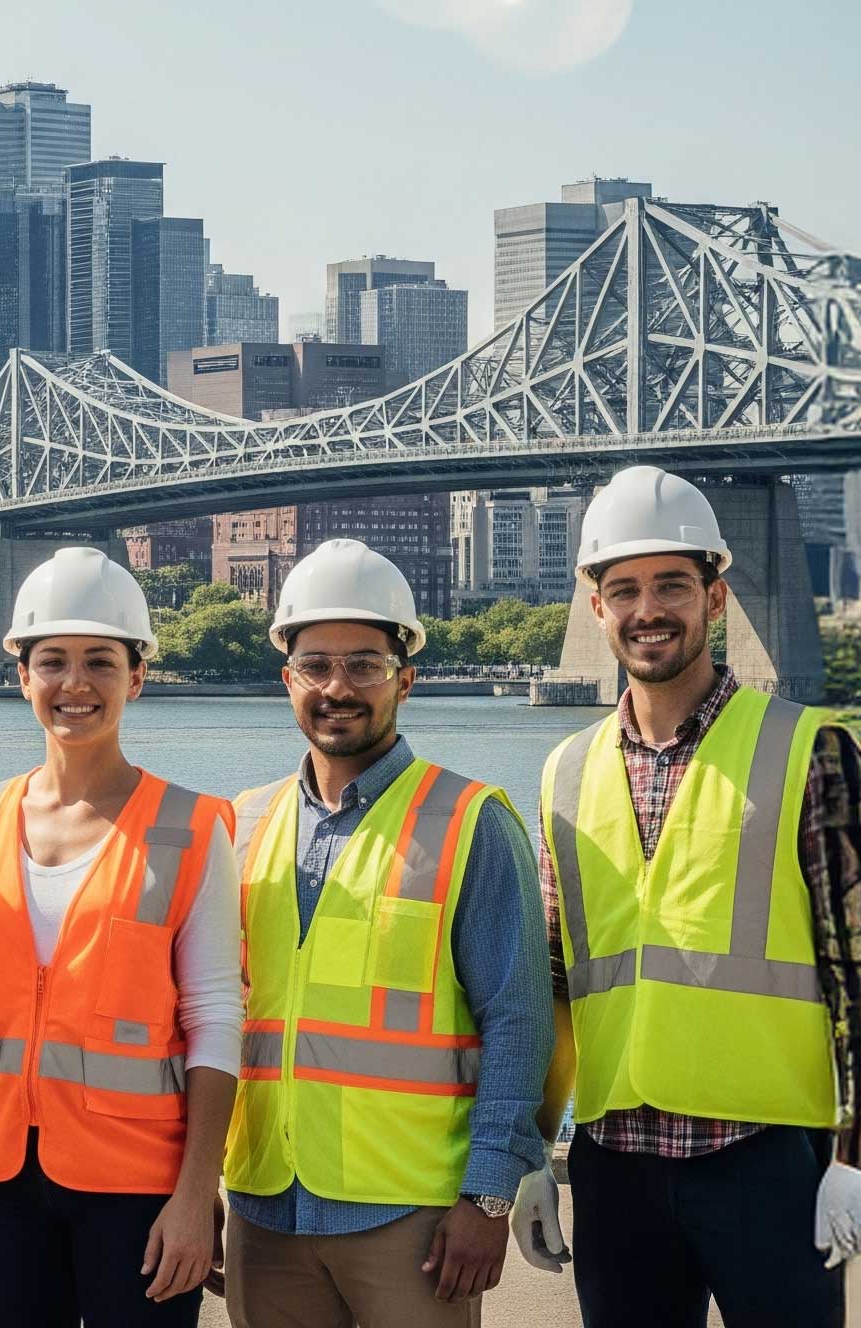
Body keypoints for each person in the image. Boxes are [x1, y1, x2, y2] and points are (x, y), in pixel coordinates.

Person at [532, 466, 861, 1328]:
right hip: (614, 1164)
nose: (647, 609)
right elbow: (552, 985)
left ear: (717, 596)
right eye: (623, 589)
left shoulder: (815, 750)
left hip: (766, 1162)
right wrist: (531, 1151)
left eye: (671, 585)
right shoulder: (563, 773)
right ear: (596, 608)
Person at [0, 545, 240, 1328]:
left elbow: (217, 1022)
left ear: (137, 676)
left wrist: (195, 1195)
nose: (75, 684)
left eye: (100, 662)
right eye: (52, 660)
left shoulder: (190, 829)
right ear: (21, 674)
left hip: (138, 1184)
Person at [218, 538, 558, 1328]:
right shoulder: (242, 822)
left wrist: (488, 1194)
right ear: (287, 680)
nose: (338, 687)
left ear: (406, 678)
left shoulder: (470, 820)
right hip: (266, 1204)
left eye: (365, 665)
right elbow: (209, 1016)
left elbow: (518, 1021)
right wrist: (196, 1183)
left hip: (414, 1217)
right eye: (316, 665)